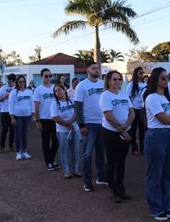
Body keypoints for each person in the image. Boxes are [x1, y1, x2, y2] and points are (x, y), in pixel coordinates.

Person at [144, 67, 170, 221]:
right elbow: (164, 119)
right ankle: (155, 207)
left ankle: (165, 204)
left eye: (166, 78)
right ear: (155, 80)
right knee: (155, 174)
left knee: (167, 174)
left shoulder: (165, 98)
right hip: (156, 136)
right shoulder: (152, 98)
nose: (166, 81)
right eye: (162, 78)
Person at [100, 70, 135, 203]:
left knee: (121, 162)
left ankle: (121, 187)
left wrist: (126, 125)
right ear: (108, 81)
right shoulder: (105, 96)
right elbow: (108, 116)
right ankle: (112, 189)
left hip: (125, 131)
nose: (117, 81)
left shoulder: (124, 94)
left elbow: (131, 112)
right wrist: (122, 131)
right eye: (114, 79)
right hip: (111, 133)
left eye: (119, 79)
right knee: (111, 162)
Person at [74, 62, 107, 192]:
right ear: (87, 70)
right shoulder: (82, 86)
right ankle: (87, 181)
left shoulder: (103, 84)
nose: (96, 70)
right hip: (89, 124)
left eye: (97, 68)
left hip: (103, 123)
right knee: (87, 154)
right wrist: (81, 124)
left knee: (101, 152)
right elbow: (77, 106)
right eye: (93, 68)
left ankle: (101, 177)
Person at [51, 83, 81, 179]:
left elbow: (77, 113)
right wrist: (67, 124)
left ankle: (76, 170)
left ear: (64, 90)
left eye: (59, 90)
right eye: (55, 91)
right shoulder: (54, 104)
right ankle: (67, 171)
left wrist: (71, 122)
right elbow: (55, 118)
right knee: (64, 151)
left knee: (75, 150)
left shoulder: (72, 101)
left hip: (75, 129)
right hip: (62, 131)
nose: (57, 92)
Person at [34, 69, 59, 171]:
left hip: (55, 118)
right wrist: (37, 120)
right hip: (44, 119)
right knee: (45, 141)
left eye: (50, 76)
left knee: (56, 141)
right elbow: (36, 106)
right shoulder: (38, 90)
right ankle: (48, 162)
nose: (48, 78)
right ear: (41, 77)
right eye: (46, 76)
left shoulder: (54, 88)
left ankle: (51, 160)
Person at [8, 75, 34, 161]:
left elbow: (32, 103)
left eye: (23, 81)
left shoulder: (29, 91)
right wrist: (12, 117)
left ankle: (25, 151)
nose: (22, 83)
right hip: (17, 116)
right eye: (20, 82)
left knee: (24, 134)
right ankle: (18, 152)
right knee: (18, 134)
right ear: (17, 83)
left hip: (27, 116)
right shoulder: (14, 92)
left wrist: (32, 113)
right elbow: (10, 105)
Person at [126, 67, 147, 155]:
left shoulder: (145, 84)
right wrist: (131, 110)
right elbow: (128, 97)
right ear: (136, 74)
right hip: (134, 110)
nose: (142, 75)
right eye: (140, 73)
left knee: (143, 130)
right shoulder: (131, 85)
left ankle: (143, 148)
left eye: (142, 73)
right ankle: (134, 149)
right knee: (133, 130)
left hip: (143, 110)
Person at [0, 74, 16, 153]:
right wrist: (4, 97)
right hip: (4, 111)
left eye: (10, 81)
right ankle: (2, 147)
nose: (8, 82)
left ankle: (11, 146)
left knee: (12, 130)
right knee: (4, 129)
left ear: (13, 81)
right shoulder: (3, 88)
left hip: (13, 112)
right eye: (8, 80)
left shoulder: (16, 88)